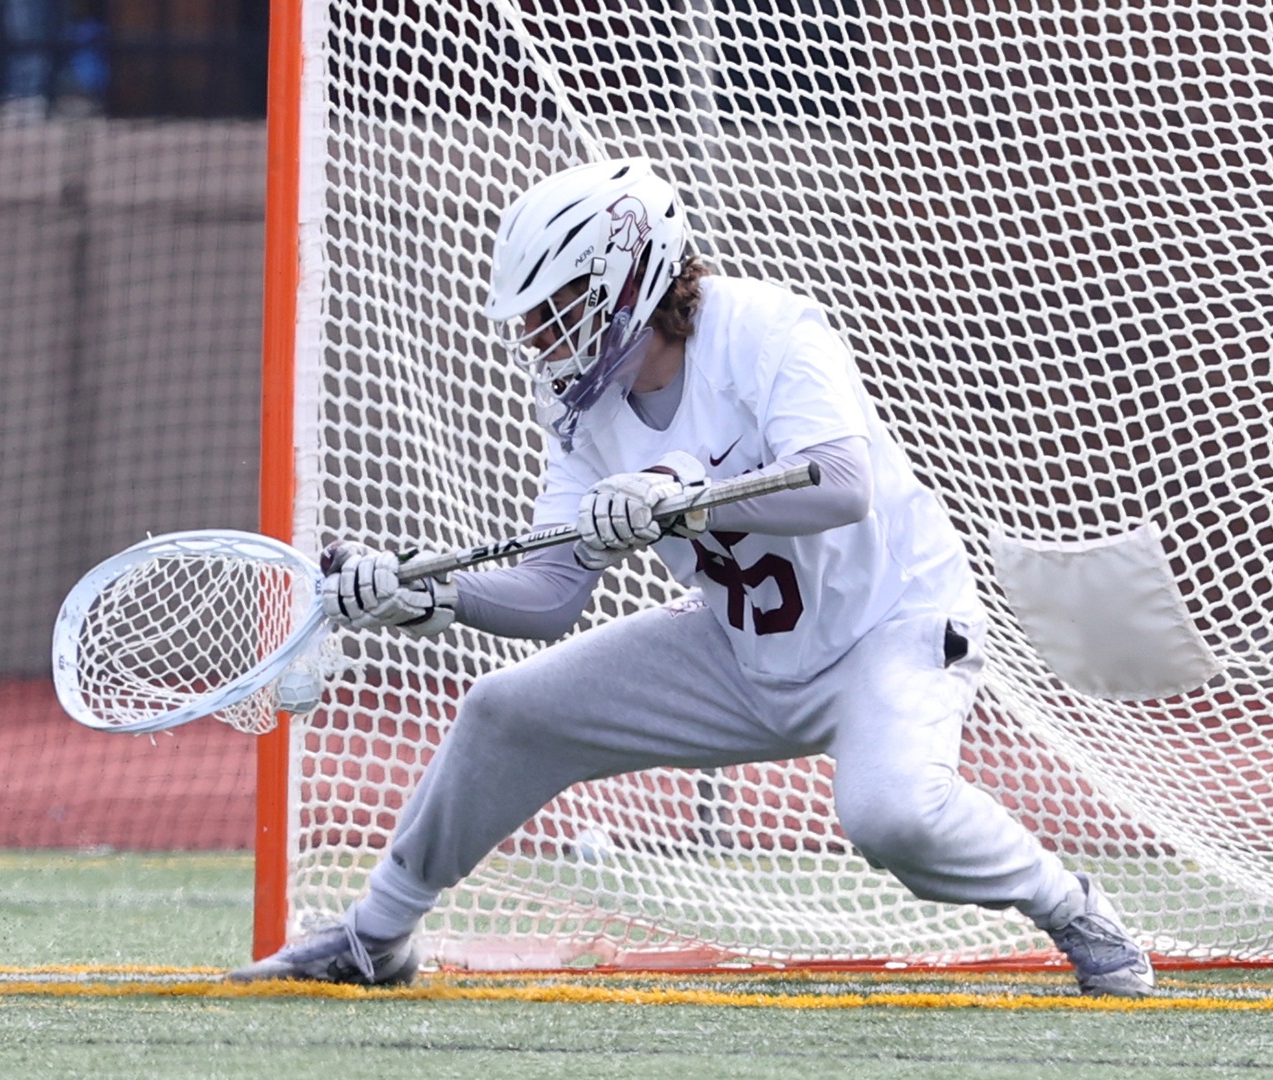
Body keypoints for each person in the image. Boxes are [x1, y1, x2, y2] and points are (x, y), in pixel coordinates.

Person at [226, 158, 1155, 997]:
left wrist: (688, 498)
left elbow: (842, 487)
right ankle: (376, 936)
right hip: (741, 646)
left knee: (889, 814)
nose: (543, 340)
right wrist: (428, 594)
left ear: (626, 283)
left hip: (891, 630)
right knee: (506, 710)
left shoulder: (766, 329)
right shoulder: (579, 406)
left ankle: (1075, 909)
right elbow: (551, 594)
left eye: (556, 309)